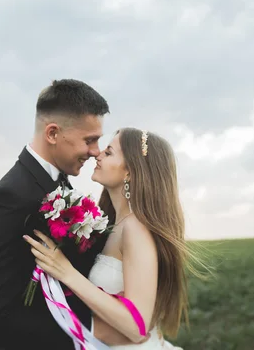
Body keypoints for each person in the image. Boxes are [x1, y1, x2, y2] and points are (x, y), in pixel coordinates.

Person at [0, 79, 136, 350]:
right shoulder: (9, 198)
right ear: (52, 133)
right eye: (89, 140)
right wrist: (94, 331)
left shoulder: (57, 183)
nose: (95, 152)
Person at [24, 127, 190, 349]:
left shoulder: (136, 228)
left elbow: (136, 326)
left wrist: (67, 273)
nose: (98, 154)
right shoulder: (114, 222)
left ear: (130, 172)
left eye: (109, 152)